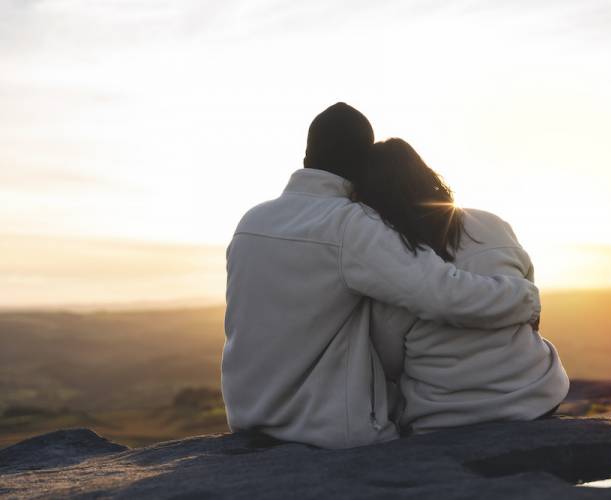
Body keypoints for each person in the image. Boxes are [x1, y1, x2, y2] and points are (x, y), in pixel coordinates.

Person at [221, 103, 541, 449]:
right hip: (323, 427)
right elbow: (442, 294)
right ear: (362, 165)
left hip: (248, 414)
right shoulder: (352, 224)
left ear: (306, 155)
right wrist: (524, 297)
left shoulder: (250, 222)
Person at [355, 138, 569, 435]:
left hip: (444, 415)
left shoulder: (395, 264)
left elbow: (389, 361)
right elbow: (531, 314)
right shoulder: (493, 225)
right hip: (535, 396)